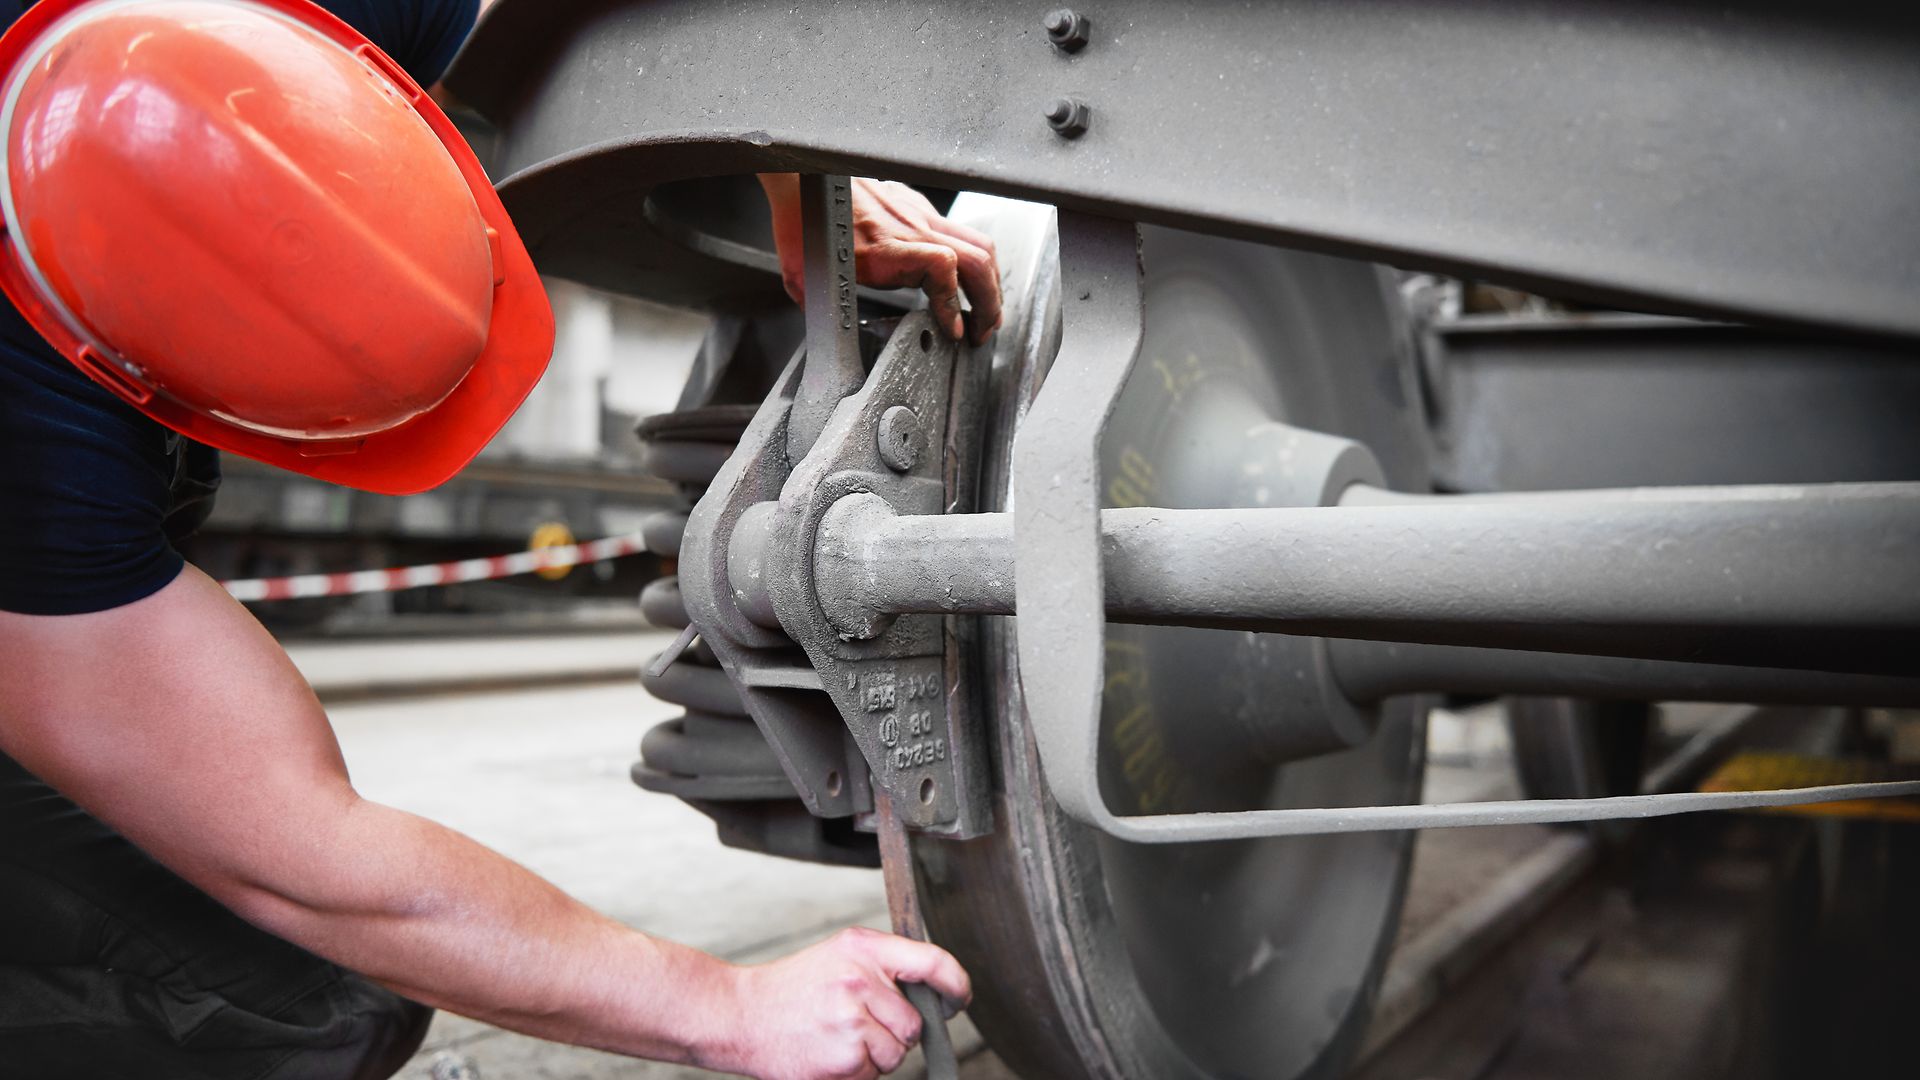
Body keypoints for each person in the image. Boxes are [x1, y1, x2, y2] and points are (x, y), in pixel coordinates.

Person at [0, 1, 1001, 1078]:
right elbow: (297, 855)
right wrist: (728, 1006)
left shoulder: (251, 30)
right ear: (125, 378)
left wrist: (791, 188)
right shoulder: (31, 465)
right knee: (288, 1011)